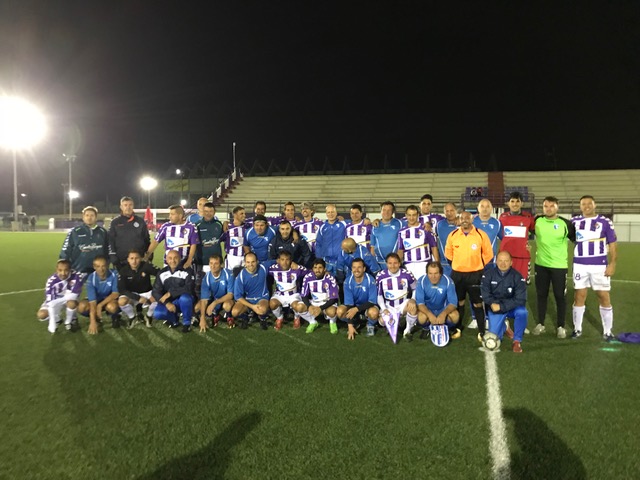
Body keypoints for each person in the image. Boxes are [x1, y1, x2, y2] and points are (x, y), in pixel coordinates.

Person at [570, 195, 617, 340]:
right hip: (579, 265)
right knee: (579, 296)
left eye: (589, 203)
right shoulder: (573, 222)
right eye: (583, 204)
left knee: (603, 296)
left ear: (594, 205)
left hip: (599, 265)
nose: (586, 206)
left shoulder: (605, 222)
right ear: (580, 206)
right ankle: (577, 329)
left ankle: (607, 331)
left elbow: (613, 244)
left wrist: (612, 263)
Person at [445, 211, 493, 338]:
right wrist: (458, 265)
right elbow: (448, 254)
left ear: (472, 219)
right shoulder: (453, 235)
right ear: (459, 220)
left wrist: (477, 265)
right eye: (462, 218)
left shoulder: (481, 235)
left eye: (468, 217)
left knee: (477, 303)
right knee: (459, 302)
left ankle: (481, 331)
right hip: (457, 275)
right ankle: (457, 329)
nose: (465, 220)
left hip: (475, 275)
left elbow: (488, 254)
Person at [532, 196, 576, 339]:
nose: (548, 209)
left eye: (552, 206)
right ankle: (541, 324)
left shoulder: (566, 224)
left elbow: (577, 241)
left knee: (560, 296)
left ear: (557, 207)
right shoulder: (537, 221)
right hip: (541, 265)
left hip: (559, 266)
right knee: (541, 295)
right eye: (546, 206)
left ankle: (560, 326)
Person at [481, 252, 528, 353]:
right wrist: (491, 303)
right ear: (496, 262)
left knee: (522, 312)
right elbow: (485, 294)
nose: (503, 264)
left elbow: (521, 299)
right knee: (494, 337)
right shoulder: (488, 275)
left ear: (511, 262)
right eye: (500, 261)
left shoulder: (517, 276)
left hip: (511, 307)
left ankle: (517, 341)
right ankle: (504, 327)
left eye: (506, 261)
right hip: (495, 308)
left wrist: (502, 306)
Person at [375, 253, 418, 341]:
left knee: (413, 306)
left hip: (403, 304)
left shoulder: (407, 274)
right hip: (388, 306)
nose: (393, 266)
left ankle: (408, 331)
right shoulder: (380, 276)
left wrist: (413, 299)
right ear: (386, 264)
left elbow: (416, 289)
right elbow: (379, 295)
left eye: (395, 263)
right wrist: (384, 309)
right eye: (390, 263)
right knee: (382, 321)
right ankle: (398, 323)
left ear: (399, 263)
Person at [152, 250, 196, 333]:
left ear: (180, 258)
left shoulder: (187, 271)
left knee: (185, 298)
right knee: (157, 313)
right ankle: (174, 320)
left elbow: (189, 288)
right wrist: (167, 303)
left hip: (182, 301)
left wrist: (171, 293)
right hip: (169, 302)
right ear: (166, 260)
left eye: (175, 258)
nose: (173, 261)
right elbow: (155, 291)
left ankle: (187, 323)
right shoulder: (161, 273)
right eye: (170, 258)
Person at [415, 261, 460, 340]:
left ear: (440, 273)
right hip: (428, 310)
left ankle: (448, 328)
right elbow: (420, 304)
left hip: (443, 309)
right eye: (430, 273)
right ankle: (426, 328)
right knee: (421, 317)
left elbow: (453, 303)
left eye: (436, 273)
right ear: (427, 273)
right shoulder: (421, 281)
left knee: (455, 316)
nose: (433, 276)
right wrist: (430, 315)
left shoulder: (448, 281)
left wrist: (443, 314)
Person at [144, 204, 199, 269]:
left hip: (184, 264)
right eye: (170, 214)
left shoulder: (191, 227)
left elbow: (193, 245)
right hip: (168, 264)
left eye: (172, 214)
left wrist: (189, 261)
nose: (170, 216)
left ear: (180, 216)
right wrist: (147, 256)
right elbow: (155, 241)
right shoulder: (166, 226)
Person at [60, 205, 109, 277]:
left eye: (92, 215)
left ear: (96, 217)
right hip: (78, 271)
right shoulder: (75, 232)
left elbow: (107, 251)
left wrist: (106, 265)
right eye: (87, 215)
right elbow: (66, 249)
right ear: (83, 217)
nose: (89, 217)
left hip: (98, 272)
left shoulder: (103, 232)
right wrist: (64, 265)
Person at [337, 258, 379, 340]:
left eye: (359, 267)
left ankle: (370, 324)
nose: (356, 270)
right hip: (353, 307)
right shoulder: (347, 281)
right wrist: (350, 325)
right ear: (351, 269)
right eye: (354, 267)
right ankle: (355, 323)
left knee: (373, 313)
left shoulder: (371, 280)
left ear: (364, 269)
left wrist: (356, 309)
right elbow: (349, 304)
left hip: (368, 307)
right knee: (340, 311)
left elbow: (372, 302)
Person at [37, 259, 83, 334]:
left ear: (70, 269)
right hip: (55, 299)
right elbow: (50, 303)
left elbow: (74, 295)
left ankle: (69, 321)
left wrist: (56, 302)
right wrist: (52, 321)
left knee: (72, 303)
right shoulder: (51, 280)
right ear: (56, 270)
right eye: (60, 270)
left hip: (68, 300)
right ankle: (57, 320)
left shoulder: (77, 276)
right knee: (41, 315)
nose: (63, 273)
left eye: (66, 270)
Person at [78, 256, 121, 334]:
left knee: (112, 307)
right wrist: (92, 321)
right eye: (98, 266)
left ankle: (115, 317)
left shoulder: (114, 274)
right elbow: (92, 302)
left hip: (109, 300)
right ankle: (96, 319)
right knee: (81, 307)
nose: (101, 269)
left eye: (103, 266)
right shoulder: (91, 278)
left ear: (107, 265)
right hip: (97, 300)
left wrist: (100, 305)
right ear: (94, 267)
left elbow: (115, 294)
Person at [499, 191, 535, 283]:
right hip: (506, 256)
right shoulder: (502, 217)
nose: (515, 204)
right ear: (508, 203)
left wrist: (528, 244)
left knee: (521, 284)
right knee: (505, 283)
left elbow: (536, 232)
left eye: (518, 201)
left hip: (522, 256)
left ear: (522, 203)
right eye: (512, 201)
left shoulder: (528, 217)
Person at [117, 250, 159, 328]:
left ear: (141, 258)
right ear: (128, 259)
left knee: (159, 297)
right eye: (132, 258)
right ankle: (132, 317)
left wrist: (156, 290)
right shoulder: (123, 271)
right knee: (121, 301)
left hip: (147, 292)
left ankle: (148, 316)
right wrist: (138, 298)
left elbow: (160, 274)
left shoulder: (146, 266)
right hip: (132, 294)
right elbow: (122, 290)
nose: (134, 261)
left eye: (137, 258)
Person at [396, 205, 438, 281]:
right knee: (411, 287)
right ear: (406, 215)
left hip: (424, 264)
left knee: (423, 286)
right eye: (409, 215)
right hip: (408, 265)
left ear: (418, 215)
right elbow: (400, 250)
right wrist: (397, 265)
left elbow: (434, 247)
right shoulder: (401, 232)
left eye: (414, 215)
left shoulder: (426, 229)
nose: (411, 218)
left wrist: (437, 263)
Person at [268, 251, 308, 330]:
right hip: (280, 294)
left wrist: (298, 267)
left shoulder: (296, 269)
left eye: (287, 259)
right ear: (278, 260)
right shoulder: (273, 269)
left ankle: (297, 318)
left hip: (293, 294)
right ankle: (280, 318)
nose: (285, 262)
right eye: (282, 259)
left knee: (297, 306)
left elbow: (309, 273)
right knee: (272, 304)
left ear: (291, 260)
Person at [109, 196, 151, 271]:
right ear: (121, 207)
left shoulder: (140, 221)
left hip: (139, 261)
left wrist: (149, 256)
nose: (128, 207)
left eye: (130, 205)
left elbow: (146, 240)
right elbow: (110, 240)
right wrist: (113, 257)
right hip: (121, 261)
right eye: (125, 205)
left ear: (133, 206)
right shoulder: (115, 222)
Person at [299, 258, 340, 334]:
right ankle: (312, 322)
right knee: (299, 307)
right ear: (312, 269)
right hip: (314, 302)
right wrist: (309, 306)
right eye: (315, 268)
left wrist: (320, 308)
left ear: (324, 269)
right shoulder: (308, 277)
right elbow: (304, 295)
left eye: (320, 267)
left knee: (331, 311)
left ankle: (332, 323)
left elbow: (333, 299)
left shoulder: (330, 279)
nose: (317, 270)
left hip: (327, 302)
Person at [231, 252, 271, 330]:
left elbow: (277, 261)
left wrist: (292, 263)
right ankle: (246, 316)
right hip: (248, 300)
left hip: (262, 298)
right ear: (245, 263)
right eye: (248, 262)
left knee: (262, 310)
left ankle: (262, 318)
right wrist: (252, 306)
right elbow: (237, 296)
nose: (250, 264)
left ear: (257, 261)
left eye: (253, 262)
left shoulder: (263, 267)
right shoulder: (241, 276)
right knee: (235, 312)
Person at [198, 254, 235, 331]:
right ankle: (217, 314)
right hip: (214, 299)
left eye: (216, 263)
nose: (213, 266)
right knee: (197, 307)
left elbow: (230, 295)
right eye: (211, 263)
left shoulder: (228, 274)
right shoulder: (206, 278)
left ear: (221, 265)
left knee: (227, 305)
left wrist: (214, 303)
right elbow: (204, 300)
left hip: (226, 300)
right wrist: (202, 318)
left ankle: (229, 316)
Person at [194, 202, 225, 295]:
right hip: (201, 261)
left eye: (210, 211)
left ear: (214, 212)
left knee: (217, 286)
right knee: (200, 287)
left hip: (216, 262)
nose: (208, 213)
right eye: (206, 211)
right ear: (202, 212)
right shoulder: (197, 225)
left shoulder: (219, 224)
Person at [315, 204, 346, 276]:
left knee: (341, 280)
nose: (330, 214)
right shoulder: (322, 227)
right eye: (328, 212)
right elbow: (318, 243)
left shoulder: (343, 224)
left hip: (340, 261)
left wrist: (367, 220)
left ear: (336, 213)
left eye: (332, 212)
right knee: (327, 281)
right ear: (326, 214)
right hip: (326, 262)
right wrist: (319, 260)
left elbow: (355, 222)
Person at [370, 201, 403, 270]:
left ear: (393, 212)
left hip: (394, 264)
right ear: (381, 211)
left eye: (389, 210)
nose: (386, 212)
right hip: (379, 264)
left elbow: (412, 220)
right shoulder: (375, 225)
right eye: (384, 210)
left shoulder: (400, 223)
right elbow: (372, 247)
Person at [221, 206, 250, 272]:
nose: (244, 215)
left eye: (244, 213)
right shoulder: (228, 228)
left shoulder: (247, 226)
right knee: (231, 276)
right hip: (232, 257)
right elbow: (220, 239)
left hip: (244, 257)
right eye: (241, 213)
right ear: (234, 214)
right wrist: (225, 223)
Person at [435, 203, 459, 276]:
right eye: (447, 211)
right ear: (444, 212)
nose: (449, 213)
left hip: (460, 264)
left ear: (456, 211)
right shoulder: (439, 225)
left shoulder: (462, 224)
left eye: (451, 210)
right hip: (444, 265)